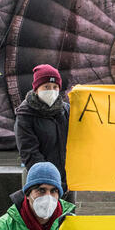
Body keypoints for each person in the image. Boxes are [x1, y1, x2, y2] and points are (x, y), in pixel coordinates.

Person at [14, 63, 70, 196]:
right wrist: (51, 181)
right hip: (43, 185)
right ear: (36, 88)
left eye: (55, 87)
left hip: (68, 182)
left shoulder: (66, 110)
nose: (51, 90)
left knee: (67, 216)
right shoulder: (25, 115)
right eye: (46, 87)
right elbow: (29, 152)